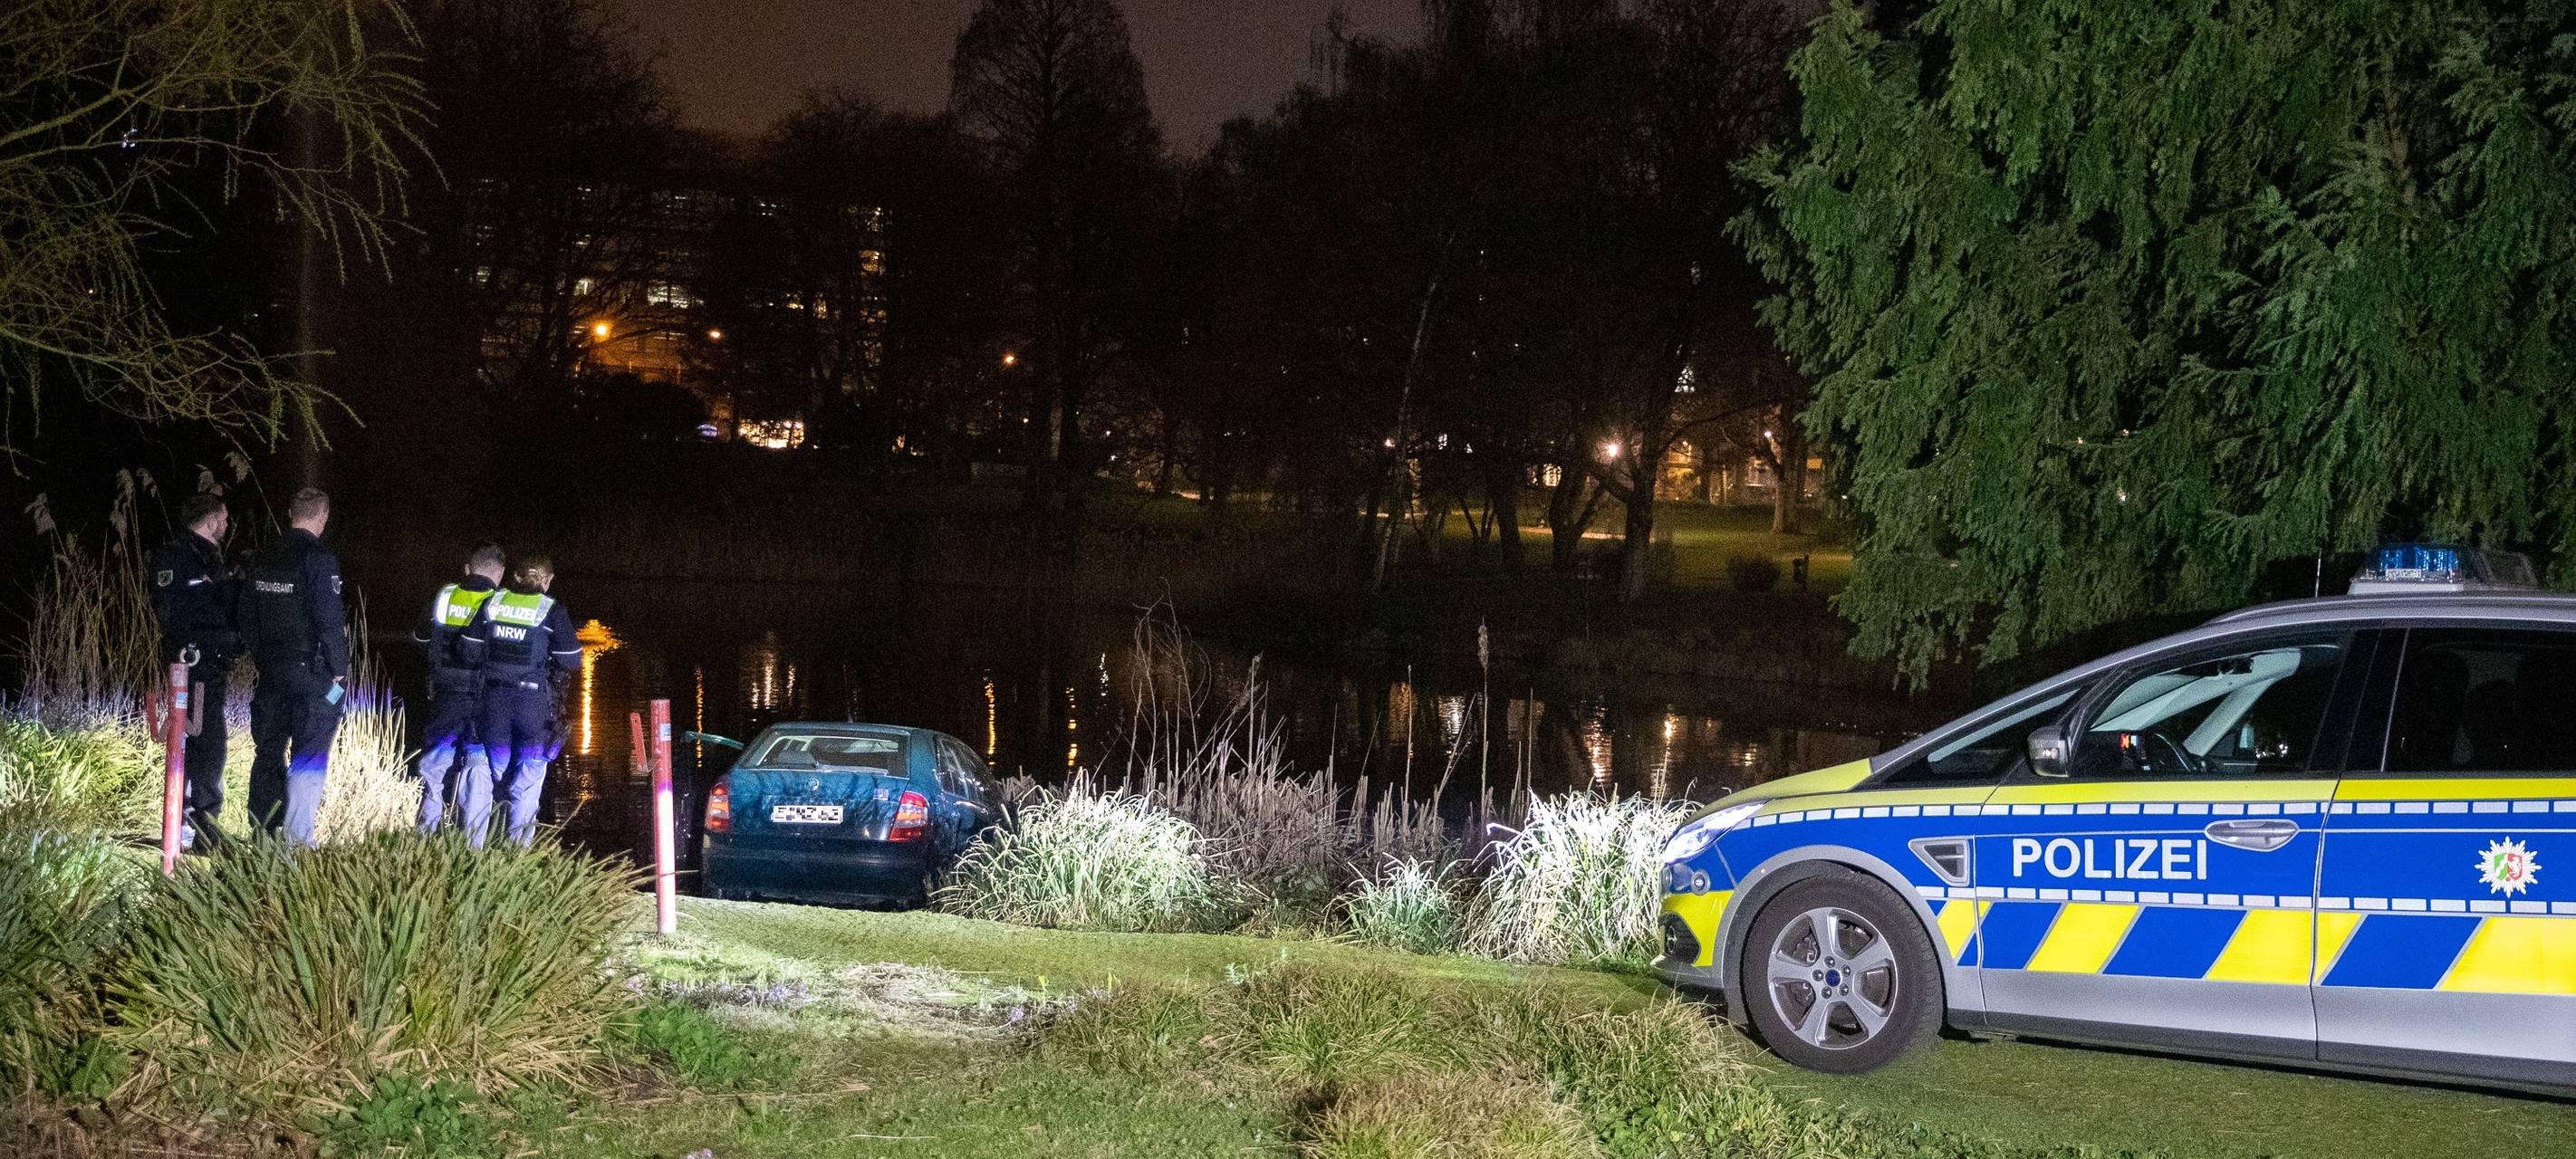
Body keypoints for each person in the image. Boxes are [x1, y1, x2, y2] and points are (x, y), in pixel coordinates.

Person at [239, 488, 348, 847]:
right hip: (312, 675)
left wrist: (262, 657)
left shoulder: (262, 555)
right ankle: (299, 843)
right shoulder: (319, 560)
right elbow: (330, 621)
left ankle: (262, 836)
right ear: (324, 516)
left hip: (271, 673)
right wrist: (339, 670)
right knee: (309, 753)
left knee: (268, 751)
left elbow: (247, 616)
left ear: (290, 512)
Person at [460, 554, 580, 847]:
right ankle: (516, 856)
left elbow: (468, 650)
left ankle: (473, 850)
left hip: (493, 703)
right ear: (548, 580)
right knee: (527, 782)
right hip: (532, 707)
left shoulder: (493, 603)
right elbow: (572, 661)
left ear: (514, 578)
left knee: (488, 774)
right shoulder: (551, 610)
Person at [148, 493, 238, 853]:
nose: (228, 525)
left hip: (210, 658)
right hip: (193, 659)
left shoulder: (209, 556)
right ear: (211, 520)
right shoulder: (177, 556)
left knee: (203, 739)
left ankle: (196, 822)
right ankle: (200, 825)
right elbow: (174, 611)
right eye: (225, 517)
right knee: (205, 739)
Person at [411, 544, 504, 834]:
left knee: (434, 766)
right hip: (481, 698)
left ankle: (425, 832)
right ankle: (473, 841)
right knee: (478, 765)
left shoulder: (445, 595)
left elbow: (420, 639)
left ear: (468, 568)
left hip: (444, 693)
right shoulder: (500, 602)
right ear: (499, 573)